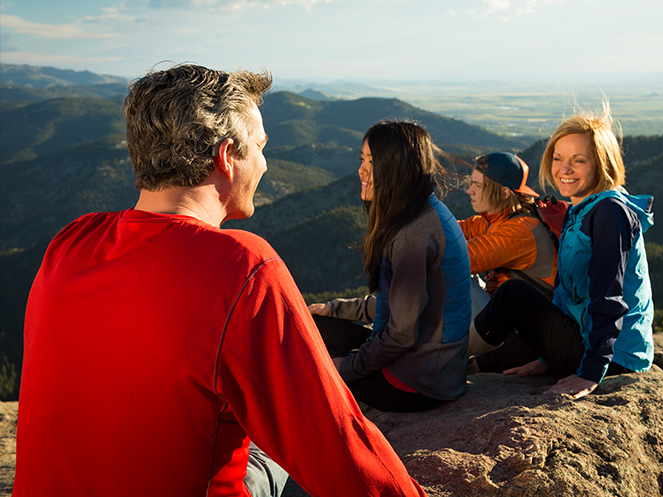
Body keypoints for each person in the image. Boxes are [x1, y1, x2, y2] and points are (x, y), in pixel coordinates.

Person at [14, 65, 427, 497]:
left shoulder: (70, 242)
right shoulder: (242, 268)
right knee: (272, 462)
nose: (266, 163)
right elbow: (337, 444)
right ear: (227, 156)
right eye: (260, 147)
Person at [471, 104, 654, 399]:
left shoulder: (609, 212)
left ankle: (438, 360)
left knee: (513, 294)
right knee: (497, 359)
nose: (563, 169)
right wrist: (545, 358)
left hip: (616, 360)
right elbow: (566, 293)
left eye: (578, 160)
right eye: (557, 158)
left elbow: (608, 296)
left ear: (601, 163)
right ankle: (456, 363)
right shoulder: (580, 210)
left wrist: (590, 373)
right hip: (585, 337)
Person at [308, 121, 472, 413]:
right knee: (310, 326)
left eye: (374, 162)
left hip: (420, 382)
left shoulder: (414, 233)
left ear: (398, 168)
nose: (361, 170)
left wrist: (345, 368)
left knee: (307, 373)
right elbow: (401, 306)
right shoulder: (424, 211)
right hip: (432, 366)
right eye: (362, 159)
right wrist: (334, 309)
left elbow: (400, 335)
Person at [457, 152, 559, 372]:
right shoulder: (493, 220)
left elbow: (459, 260)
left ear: (504, 192)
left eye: (477, 185)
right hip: (520, 328)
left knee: (454, 275)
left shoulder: (520, 231)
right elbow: (447, 232)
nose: (469, 191)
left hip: (527, 339)